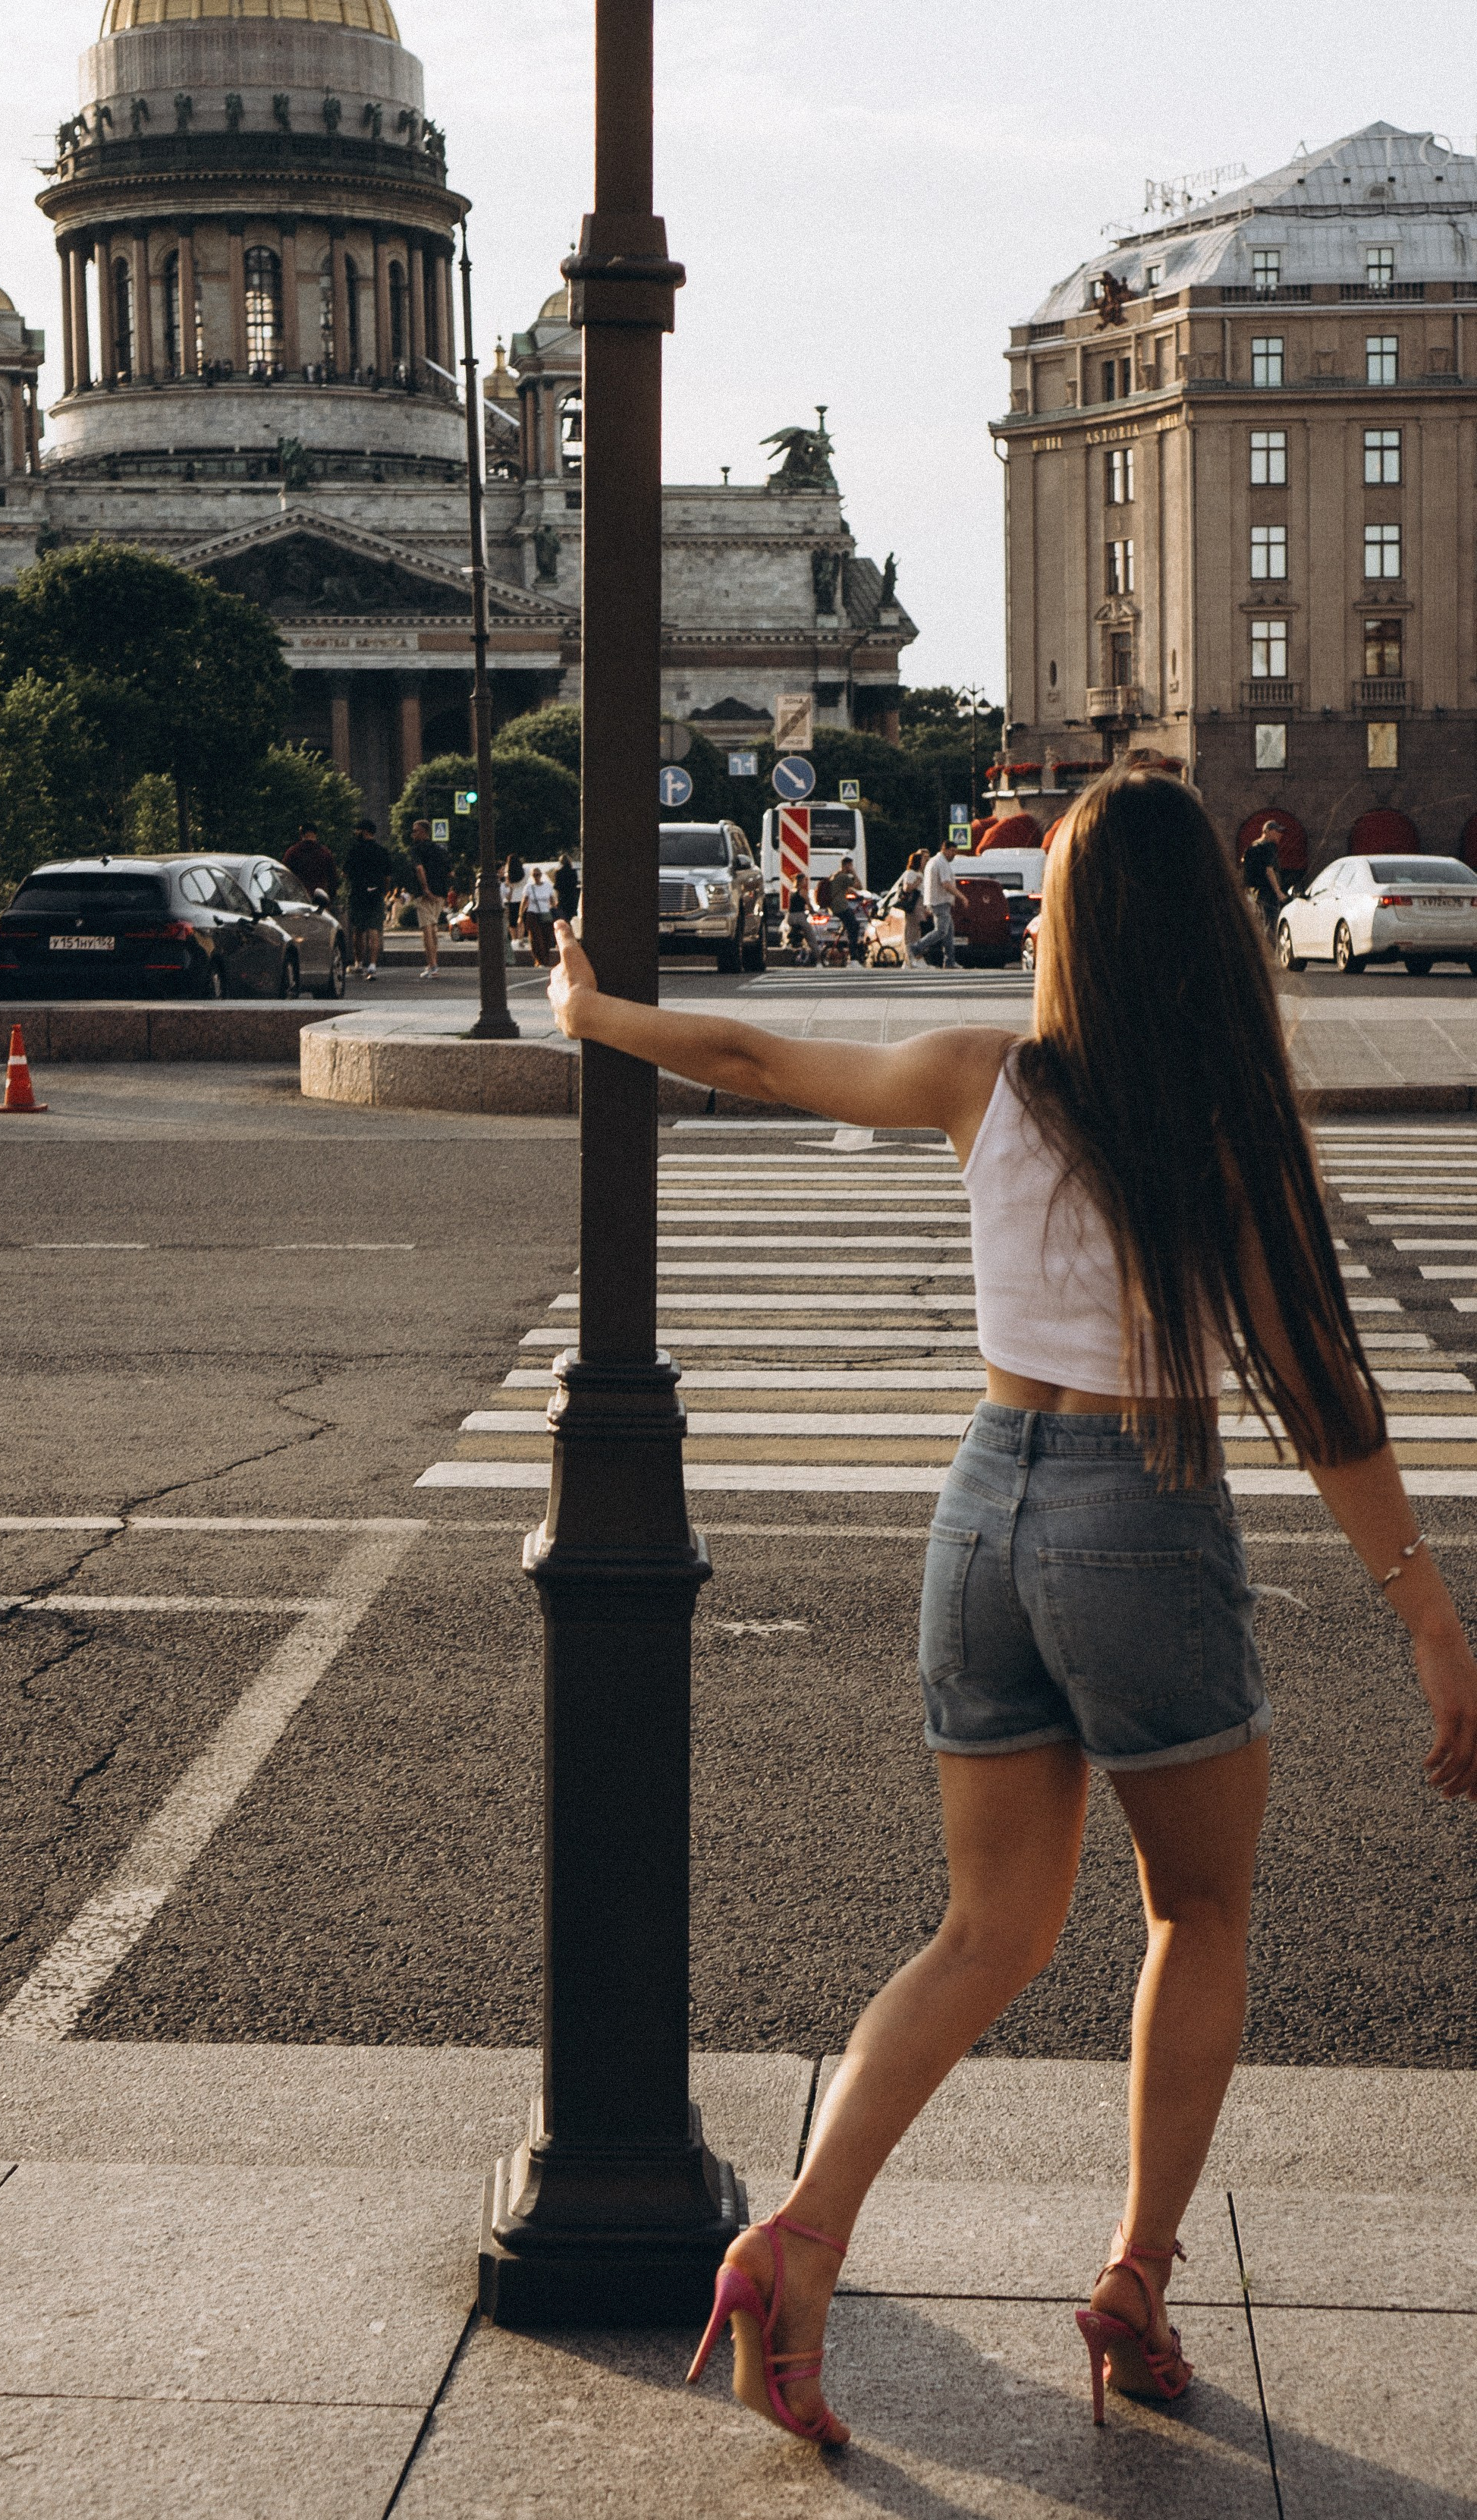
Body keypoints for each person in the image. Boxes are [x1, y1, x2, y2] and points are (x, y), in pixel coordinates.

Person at [546, 765, 1477, 2449]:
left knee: (986, 1931)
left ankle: (797, 2240)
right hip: (1143, 1504)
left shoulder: (987, 1076)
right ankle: (1134, 2274)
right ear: (1213, 930)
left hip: (985, 1500)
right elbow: (1322, 1381)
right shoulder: (1222, 1117)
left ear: (1065, 926)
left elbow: (757, 1059)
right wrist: (1424, 1609)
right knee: (1194, 1908)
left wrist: (592, 1006)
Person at [344, 817, 392, 983]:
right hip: (377, 894)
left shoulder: (354, 850)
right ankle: (372, 965)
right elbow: (387, 876)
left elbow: (346, 873)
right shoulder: (382, 851)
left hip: (358, 894)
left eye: (357, 830)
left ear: (364, 831)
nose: (355, 833)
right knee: (374, 930)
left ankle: (358, 963)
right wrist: (383, 891)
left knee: (358, 930)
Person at [411, 820, 451, 979]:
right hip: (440, 893)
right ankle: (433, 964)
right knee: (433, 928)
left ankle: (433, 966)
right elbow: (450, 873)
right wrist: (443, 890)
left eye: (415, 831)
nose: (412, 834)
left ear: (423, 832)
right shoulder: (440, 850)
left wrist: (426, 888)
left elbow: (419, 868)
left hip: (424, 894)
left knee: (427, 929)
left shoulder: (417, 849)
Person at [284, 822, 341, 916]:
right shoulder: (325, 853)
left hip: (299, 899)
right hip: (320, 900)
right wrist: (330, 899)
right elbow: (333, 879)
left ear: (301, 834)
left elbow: (284, 875)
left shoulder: (292, 852)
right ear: (315, 834)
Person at [1243, 820, 1288, 939]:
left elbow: (1244, 869)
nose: (1280, 834)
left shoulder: (1252, 846)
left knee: (1259, 923)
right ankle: (1272, 954)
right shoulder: (1269, 846)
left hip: (1255, 893)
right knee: (1271, 925)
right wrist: (1278, 892)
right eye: (1277, 831)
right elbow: (1269, 870)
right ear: (1267, 831)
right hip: (1268, 893)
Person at [923, 835, 962, 968]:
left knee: (949, 934)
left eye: (955, 852)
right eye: (952, 851)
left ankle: (950, 961)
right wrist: (961, 897)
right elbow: (946, 884)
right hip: (939, 902)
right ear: (945, 849)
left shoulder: (935, 861)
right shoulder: (941, 862)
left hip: (939, 901)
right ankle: (916, 948)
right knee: (941, 931)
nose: (954, 855)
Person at [520, 863, 558, 966]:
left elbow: (552, 900)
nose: (536, 877)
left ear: (541, 875)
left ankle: (545, 960)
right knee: (536, 938)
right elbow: (524, 901)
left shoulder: (547, 886)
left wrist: (555, 912)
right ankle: (539, 960)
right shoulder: (529, 887)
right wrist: (520, 917)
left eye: (538, 875)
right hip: (532, 914)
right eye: (534, 875)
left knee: (546, 937)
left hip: (545, 914)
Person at [896, 851, 927, 968]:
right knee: (912, 931)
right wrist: (916, 883)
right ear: (917, 861)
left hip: (919, 904)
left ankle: (911, 960)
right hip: (913, 904)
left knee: (916, 930)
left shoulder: (920, 873)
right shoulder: (911, 873)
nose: (925, 862)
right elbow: (907, 888)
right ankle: (911, 959)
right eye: (923, 860)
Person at [833, 856, 865, 963]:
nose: (852, 867)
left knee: (851, 926)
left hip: (836, 907)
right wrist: (854, 873)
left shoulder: (836, 875)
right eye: (851, 865)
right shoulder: (844, 877)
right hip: (841, 907)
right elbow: (860, 886)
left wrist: (855, 895)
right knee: (854, 927)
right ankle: (853, 958)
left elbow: (847, 889)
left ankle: (848, 952)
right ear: (846, 865)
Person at [785, 876, 815, 964]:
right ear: (801, 881)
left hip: (790, 917)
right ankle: (817, 960)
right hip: (799, 917)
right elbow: (808, 904)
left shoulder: (792, 892)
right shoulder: (803, 892)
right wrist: (812, 911)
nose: (805, 883)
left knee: (797, 934)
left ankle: (795, 947)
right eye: (804, 881)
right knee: (811, 938)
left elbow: (791, 906)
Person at [555, 847, 580, 927]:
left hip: (562, 897)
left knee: (564, 916)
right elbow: (575, 883)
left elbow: (557, 886)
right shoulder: (573, 872)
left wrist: (556, 899)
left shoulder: (558, 872)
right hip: (572, 896)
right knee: (573, 916)